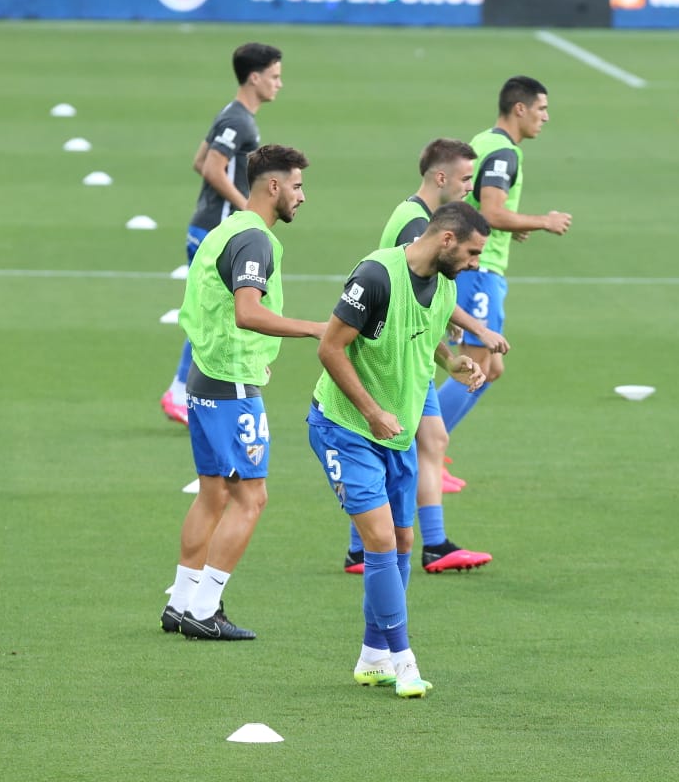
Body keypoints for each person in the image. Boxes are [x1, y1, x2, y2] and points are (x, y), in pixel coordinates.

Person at [307, 202, 491, 698]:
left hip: (398, 435)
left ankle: (372, 656)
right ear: (448, 240)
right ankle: (404, 660)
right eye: (473, 252)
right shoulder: (375, 276)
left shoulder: (444, 285)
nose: (476, 263)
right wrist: (370, 411)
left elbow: (426, 335)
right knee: (383, 542)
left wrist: (453, 363)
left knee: (404, 544)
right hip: (346, 428)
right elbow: (329, 347)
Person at [159, 145, 325, 641]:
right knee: (251, 498)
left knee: (213, 494)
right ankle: (204, 610)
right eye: (296, 186)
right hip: (231, 383)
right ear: (273, 186)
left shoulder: (225, 230)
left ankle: (181, 601)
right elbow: (247, 312)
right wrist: (315, 329)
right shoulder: (256, 240)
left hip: (205, 377)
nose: (302, 196)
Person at [341, 139, 508, 576]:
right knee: (409, 444)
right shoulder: (416, 224)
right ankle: (411, 545)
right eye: (466, 178)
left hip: (415, 349)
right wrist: (476, 330)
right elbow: (410, 295)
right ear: (441, 177)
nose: (470, 188)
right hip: (401, 356)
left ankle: (390, 546)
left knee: (429, 441)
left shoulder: (417, 216)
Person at [436, 76, 572, 453]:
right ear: (520, 109)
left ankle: (432, 450)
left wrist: (518, 225)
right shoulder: (503, 153)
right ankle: (423, 450)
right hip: (478, 272)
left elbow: (479, 207)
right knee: (474, 367)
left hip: (476, 269)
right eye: (542, 109)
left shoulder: (485, 142)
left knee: (491, 369)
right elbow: (493, 211)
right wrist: (543, 221)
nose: (545, 117)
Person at [161, 43, 285, 428]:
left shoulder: (233, 114)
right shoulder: (240, 122)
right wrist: (249, 209)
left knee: (218, 311)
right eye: (275, 76)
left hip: (207, 225)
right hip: (215, 228)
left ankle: (185, 390)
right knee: (216, 312)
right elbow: (213, 168)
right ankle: (181, 390)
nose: (280, 84)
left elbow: (200, 160)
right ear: (255, 77)